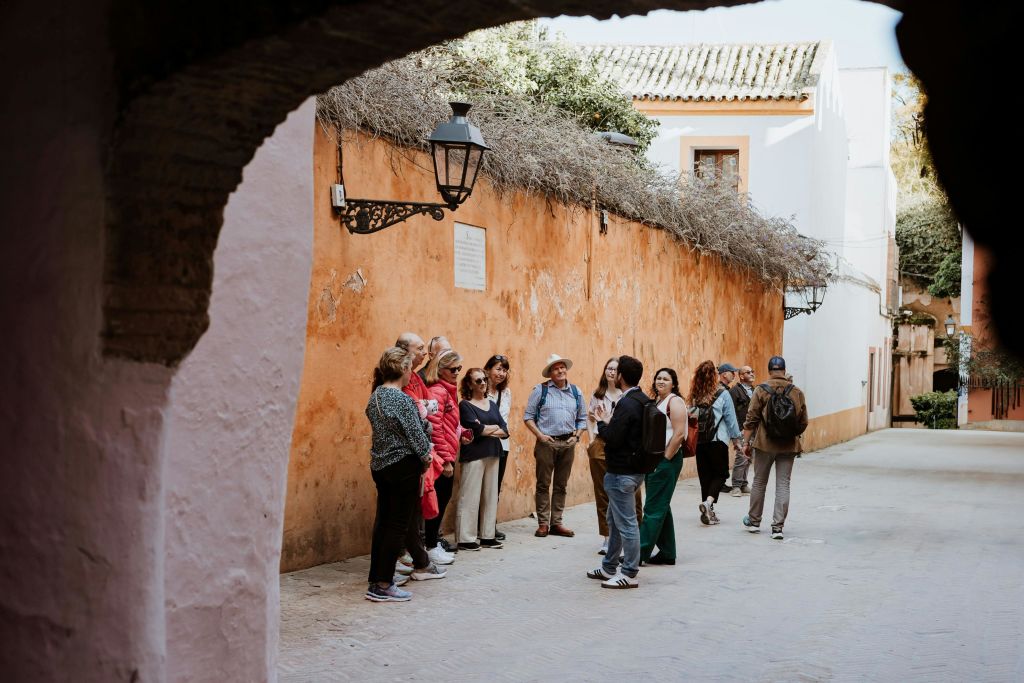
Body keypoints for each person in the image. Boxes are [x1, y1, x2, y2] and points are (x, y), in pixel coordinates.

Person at [364, 347, 443, 602]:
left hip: (381, 466)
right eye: (410, 369)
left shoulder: (376, 396)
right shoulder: (401, 399)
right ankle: (384, 584)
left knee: (384, 523)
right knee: (397, 525)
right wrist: (427, 457)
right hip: (403, 467)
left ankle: (377, 578)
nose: (411, 374)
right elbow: (416, 435)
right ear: (403, 369)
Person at [586, 355, 646, 589]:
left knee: (627, 523)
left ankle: (629, 572)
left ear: (621, 376)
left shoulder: (627, 403)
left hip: (622, 472)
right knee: (614, 519)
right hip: (632, 469)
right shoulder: (642, 400)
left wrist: (602, 421)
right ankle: (609, 566)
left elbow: (612, 438)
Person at [741, 356, 808, 540]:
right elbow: (803, 422)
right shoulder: (797, 392)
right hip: (788, 445)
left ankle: (754, 522)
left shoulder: (761, 390)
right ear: (784, 371)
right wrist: (791, 433)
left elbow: (751, 419)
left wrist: (745, 443)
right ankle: (777, 527)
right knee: (783, 484)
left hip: (764, 444)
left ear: (769, 370)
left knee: (759, 482)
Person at [523, 354, 587, 538]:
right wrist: (540, 435)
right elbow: (528, 417)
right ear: (550, 373)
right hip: (546, 443)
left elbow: (582, 419)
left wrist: (576, 437)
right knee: (543, 484)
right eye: (556, 368)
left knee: (561, 485)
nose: (560, 371)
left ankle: (557, 522)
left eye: (562, 367)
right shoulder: (540, 390)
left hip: (568, 442)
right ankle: (543, 523)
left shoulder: (576, 392)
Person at [423, 350, 472, 560]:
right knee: (439, 500)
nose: (457, 373)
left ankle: (432, 544)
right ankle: (431, 546)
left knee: (443, 499)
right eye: (453, 369)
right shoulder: (438, 391)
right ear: (440, 370)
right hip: (442, 459)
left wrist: (461, 433)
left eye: (459, 369)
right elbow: (435, 429)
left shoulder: (449, 391)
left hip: (448, 453)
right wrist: (445, 461)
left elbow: (449, 424)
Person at [638, 368, 688, 565]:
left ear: (673, 383)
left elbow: (679, 434)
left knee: (652, 508)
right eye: (658, 378)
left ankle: (639, 553)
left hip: (666, 460)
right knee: (660, 505)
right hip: (655, 460)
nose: (661, 381)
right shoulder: (658, 401)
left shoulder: (674, 402)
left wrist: (665, 459)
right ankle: (667, 552)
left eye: (665, 379)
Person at [456, 368, 509, 550]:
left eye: (484, 379)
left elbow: (505, 430)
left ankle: (487, 536)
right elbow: (475, 431)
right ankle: (465, 538)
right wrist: (490, 429)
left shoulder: (492, 404)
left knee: (490, 496)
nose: (483, 383)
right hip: (474, 456)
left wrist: (487, 428)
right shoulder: (465, 405)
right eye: (478, 381)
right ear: (469, 384)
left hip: (493, 453)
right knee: (470, 496)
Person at [689, 360, 742, 526]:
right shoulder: (722, 393)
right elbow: (731, 419)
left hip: (700, 441)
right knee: (721, 475)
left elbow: (691, 417)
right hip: (717, 440)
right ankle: (708, 503)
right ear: (715, 376)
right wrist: (736, 441)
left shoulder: (695, 396)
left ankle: (708, 510)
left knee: (705, 477)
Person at [484, 354, 512, 541]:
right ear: (488, 370)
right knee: (480, 486)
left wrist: (485, 429)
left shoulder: (506, 393)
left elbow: (503, 419)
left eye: (504, 370)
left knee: (495, 487)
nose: (501, 373)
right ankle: (479, 525)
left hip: (501, 444)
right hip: (481, 445)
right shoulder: (479, 390)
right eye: (498, 369)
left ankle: (489, 524)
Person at [729, 365, 756, 496]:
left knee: (749, 457)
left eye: (752, 372)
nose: (751, 374)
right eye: (748, 372)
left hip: (754, 429)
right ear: (741, 376)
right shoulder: (735, 391)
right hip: (742, 429)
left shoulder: (755, 390)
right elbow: (731, 411)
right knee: (741, 457)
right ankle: (736, 486)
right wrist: (737, 429)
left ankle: (744, 483)